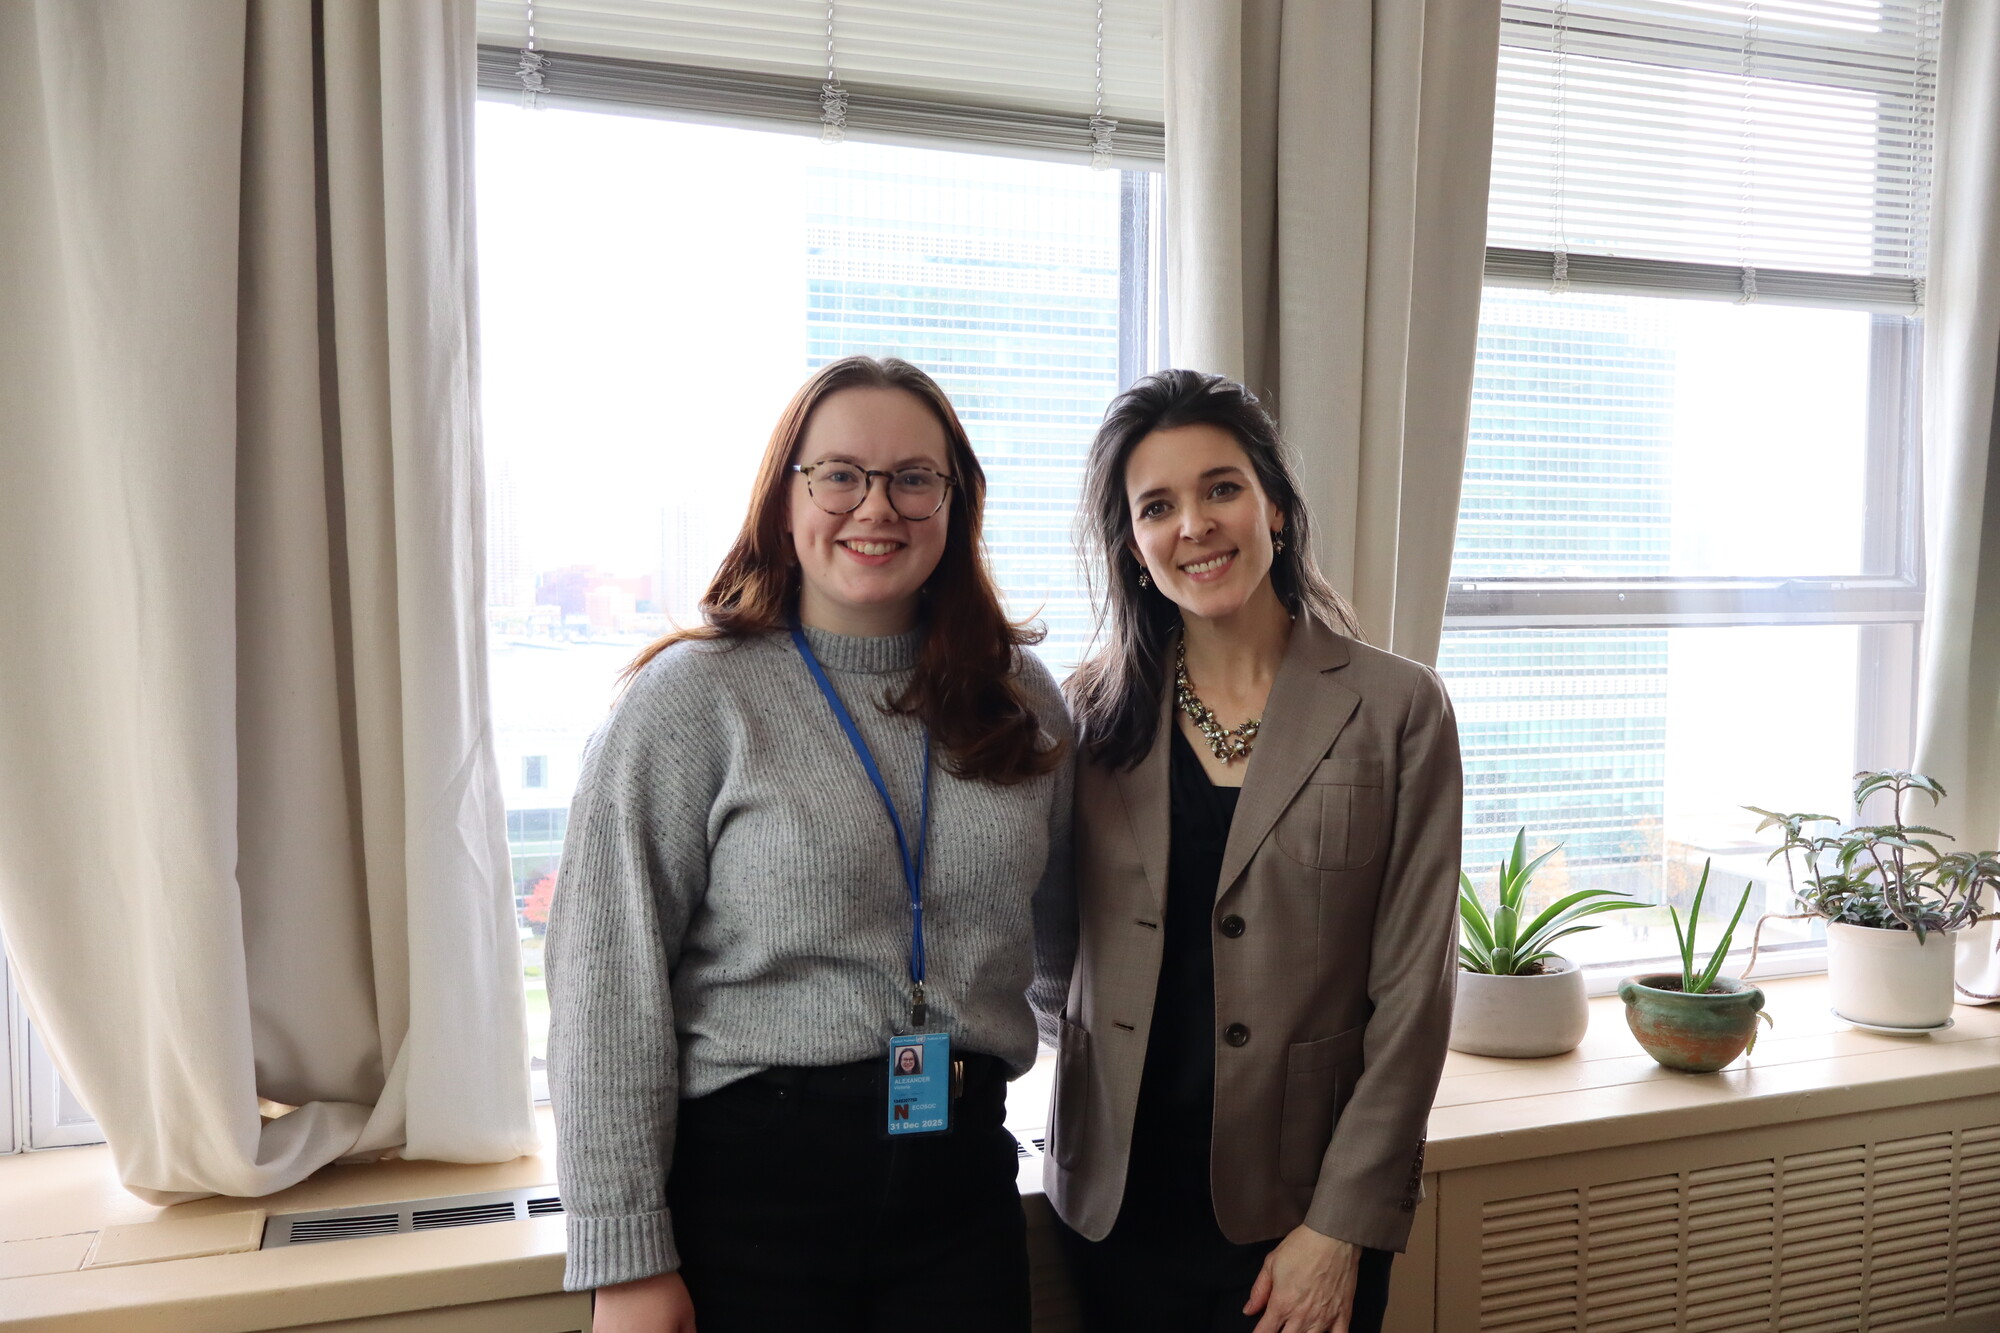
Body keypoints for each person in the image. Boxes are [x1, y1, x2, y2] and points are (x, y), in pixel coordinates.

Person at [545, 356, 1073, 1333]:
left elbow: (1069, 941)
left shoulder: (1018, 697)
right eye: (838, 474)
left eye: (913, 478)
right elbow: (604, 982)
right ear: (784, 500)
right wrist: (624, 1257)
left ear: (953, 502)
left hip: (958, 1187)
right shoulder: (691, 699)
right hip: (751, 1198)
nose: (877, 507)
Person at [1042, 370, 1461, 1333]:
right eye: (1158, 505)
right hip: (1116, 1207)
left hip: (1300, 1214)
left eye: (1221, 487)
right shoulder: (1089, 720)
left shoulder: (1398, 710)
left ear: (1273, 502)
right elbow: (1051, 951)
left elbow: (1413, 998)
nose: (1195, 523)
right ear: (1134, 545)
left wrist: (1339, 1225)